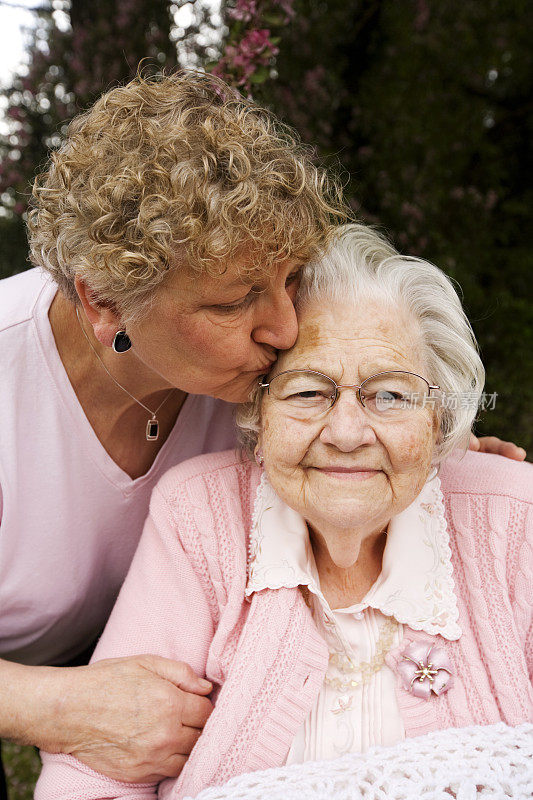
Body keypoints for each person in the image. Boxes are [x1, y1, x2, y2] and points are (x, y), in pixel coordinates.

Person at [34, 225, 533, 800]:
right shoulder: (200, 515)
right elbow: (90, 778)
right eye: (306, 392)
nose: (346, 433)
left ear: (440, 420)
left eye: (391, 394)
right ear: (257, 413)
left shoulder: (512, 516)